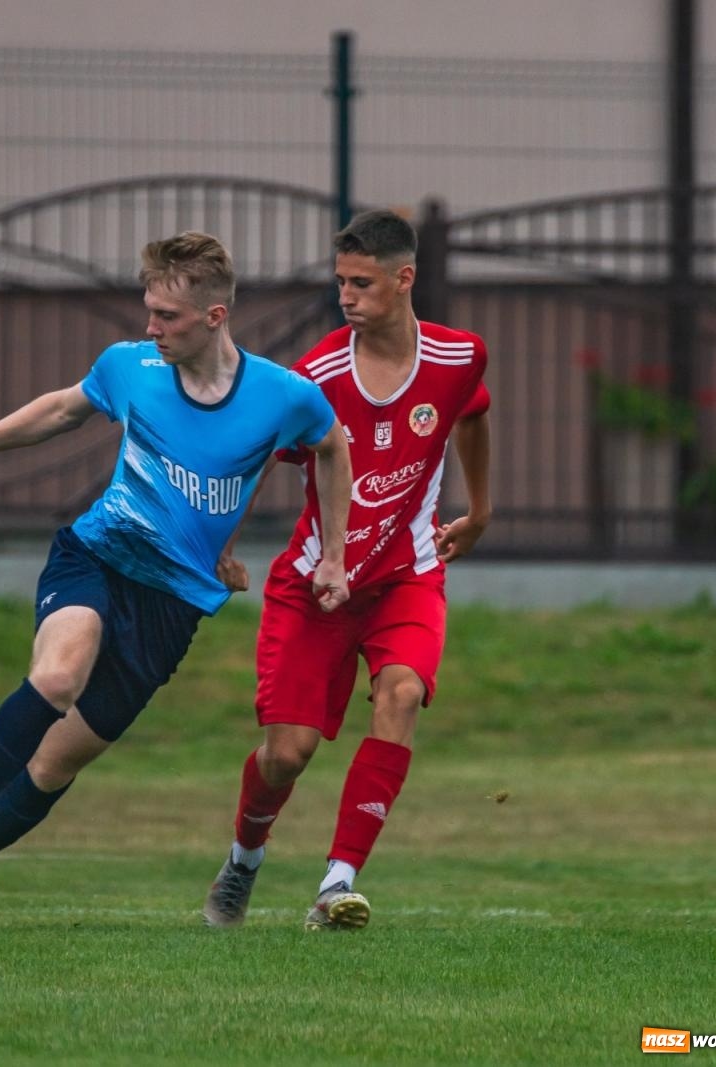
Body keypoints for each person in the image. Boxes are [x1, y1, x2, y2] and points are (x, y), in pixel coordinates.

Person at [0, 231, 353, 928]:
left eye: (166, 317)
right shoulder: (130, 366)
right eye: (148, 310)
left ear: (214, 316)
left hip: (171, 606)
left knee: (54, 766)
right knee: (57, 676)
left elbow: (332, 445)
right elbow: (61, 409)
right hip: (97, 557)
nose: (151, 327)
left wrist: (334, 553)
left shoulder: (281, 395)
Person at [202, 209, 492, 932]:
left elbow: (474, 414)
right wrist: (223, 544)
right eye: (340, 282)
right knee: (287, 753)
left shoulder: (459, 357)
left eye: (361, 282)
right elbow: (261, 454)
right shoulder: (318, 375)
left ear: (405, 280)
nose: (347, 296)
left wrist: (480, 511)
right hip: (314, 588)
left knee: (401, 696)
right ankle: (244, 856)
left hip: (407, 577)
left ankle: (337, 883)